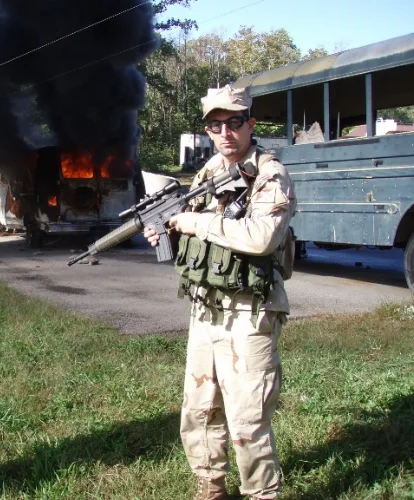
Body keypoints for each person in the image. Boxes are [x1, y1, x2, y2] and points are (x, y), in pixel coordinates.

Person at [145, 85, 296, 500]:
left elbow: (262, 237)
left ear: (251, 124)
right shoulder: (209, 172)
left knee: (247, 417)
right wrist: (169, 231)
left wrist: (197, 224)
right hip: (205, 306)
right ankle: (209, 488)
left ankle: (261, 494)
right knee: (200, 409)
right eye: (215, 125)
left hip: (250, 311)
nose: (225, 132)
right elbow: (196, 234)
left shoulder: (270, 174)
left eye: (234, 122)